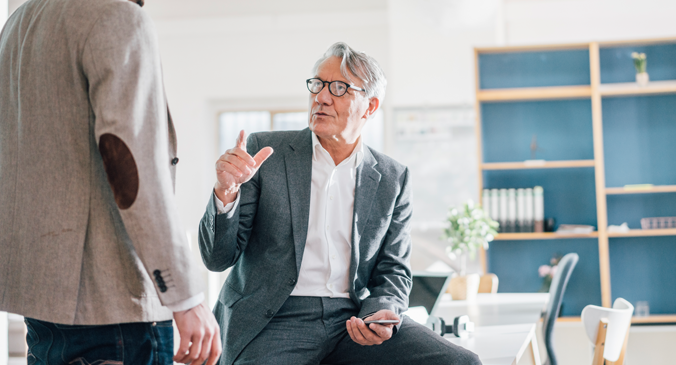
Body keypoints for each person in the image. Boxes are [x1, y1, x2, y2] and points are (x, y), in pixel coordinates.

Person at [0, 0, 221, 364]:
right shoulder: (119, 17)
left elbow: (4, 161)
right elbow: (134, 169)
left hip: (42, 308)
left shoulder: (17, 25)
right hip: (116, 308)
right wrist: (184, 296)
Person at [199, 42, 481, 365]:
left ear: (370, 106)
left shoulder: (393, 178)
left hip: (352, 319)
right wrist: (225, 192)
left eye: (339, 88)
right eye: (317, 84)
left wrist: (382, 311)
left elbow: (393, 269)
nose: (321, 97)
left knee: (463, 362)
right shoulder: (266, 152)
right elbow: (217, 258)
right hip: (274, 320)